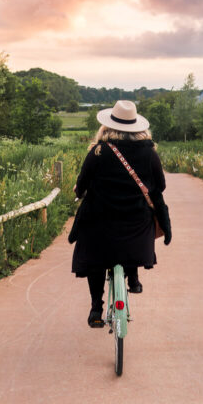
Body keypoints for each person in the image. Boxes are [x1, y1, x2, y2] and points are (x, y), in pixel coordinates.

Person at [69, 99, 172, 327]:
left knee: (96, 257)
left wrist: (80, 191)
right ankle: (133, 279)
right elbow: (160, 186)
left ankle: (96, 309)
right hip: (135, 225)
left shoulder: (98, 151)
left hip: (100, 223)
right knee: (133, 235)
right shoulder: (149, 153)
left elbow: (82, 183)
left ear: (108, 126)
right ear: (137, 127)